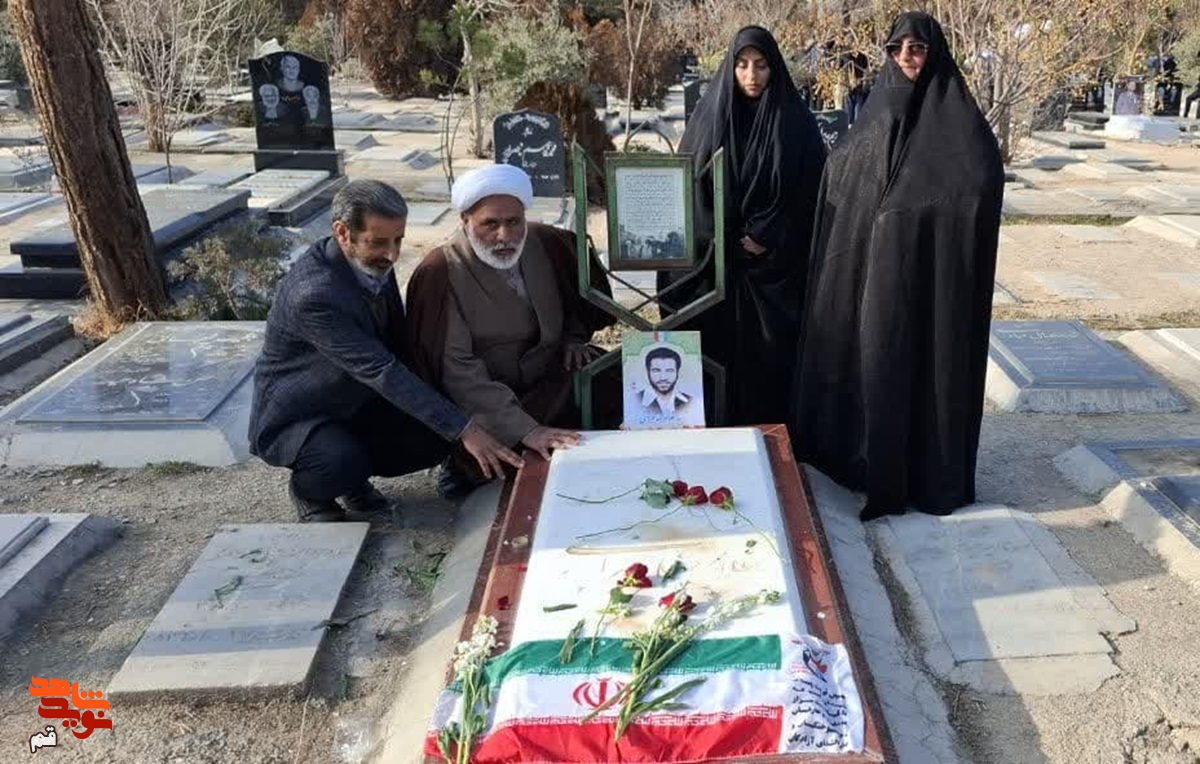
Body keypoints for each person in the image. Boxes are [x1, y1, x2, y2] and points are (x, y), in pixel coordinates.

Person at [791, 11, 1004, 521]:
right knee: (875, 363)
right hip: (872, 274)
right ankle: (868, 467)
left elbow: (979, 181)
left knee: (921, 370)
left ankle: (923, 474)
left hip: (931, 280)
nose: (907, 56)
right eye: (897, 47)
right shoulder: (876, 115)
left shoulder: (959, 123)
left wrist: (913, 216)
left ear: (935, 53)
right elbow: (843, 176)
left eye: (918, 47)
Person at [248, 180, 523, 522]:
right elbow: (381, 369)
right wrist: (465, 429)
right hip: (305, 415)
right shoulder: (314, 295)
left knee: (434, 435)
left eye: (398, 240)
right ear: (342, 233)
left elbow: (398, 341)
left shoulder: (370, 261)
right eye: (378, 242)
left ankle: (354, 476)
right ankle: (311, 491)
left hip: (359, 401)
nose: (392, 255)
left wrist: (462, 408)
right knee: (339, 461)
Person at [406, 164, 616, 497]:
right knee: (499, 451)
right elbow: (457, 369)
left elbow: (578, 302)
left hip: (549, 377)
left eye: (514, 222)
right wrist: (526, 430)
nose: (504, 235)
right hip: (486, 400)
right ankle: (462, 467)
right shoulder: (441, 272)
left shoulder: (547, 243)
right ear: (465, 221)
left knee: (611, 376)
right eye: (490, 224)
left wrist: (573, 338)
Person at [657, 26, 827, 426]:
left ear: (775, 68)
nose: (752, 75)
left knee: (769, 372)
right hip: (713, 267)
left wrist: (770, 234)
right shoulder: (709, 121)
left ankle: (772, 440)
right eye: (743, 65)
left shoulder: (796, 123)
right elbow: (689, 194)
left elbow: (813, 194)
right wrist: (723, 241)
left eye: (762, 65)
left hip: (776, 272)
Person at [638, 346, 695, 418]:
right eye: (656, 371)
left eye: (669, 371)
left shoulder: (690, 401)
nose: (663, 378)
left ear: (677, 372)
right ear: (648, 372)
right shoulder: (636, 400)